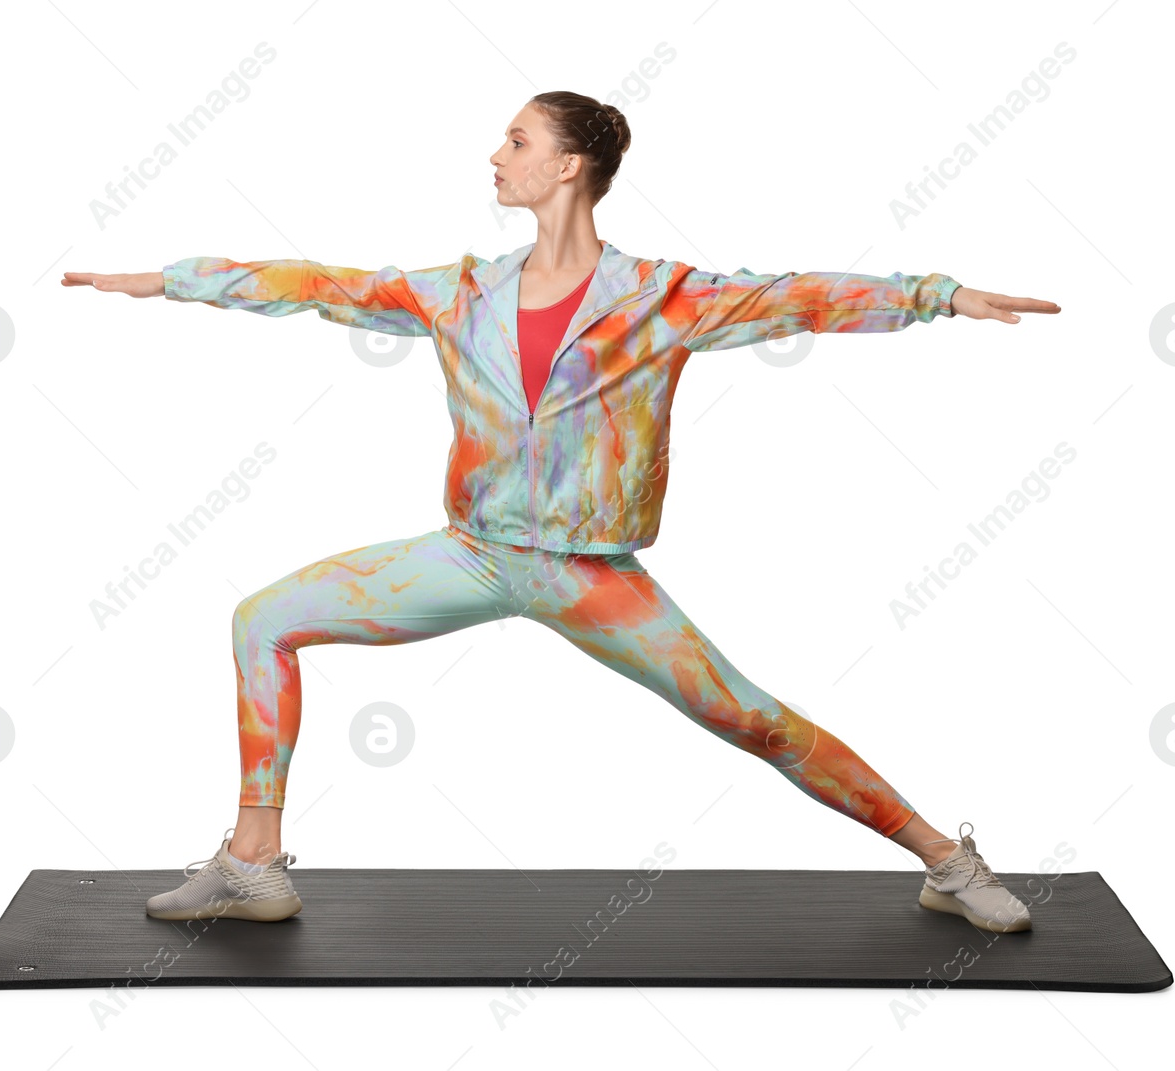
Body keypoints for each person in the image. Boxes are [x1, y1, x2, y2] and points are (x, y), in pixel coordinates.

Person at [63, 91, 1060, 932]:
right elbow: (321, 284)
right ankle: (253, 863)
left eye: (517, 141)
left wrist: (940, 295)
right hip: (472, 556)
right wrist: (168, 282)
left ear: (572, 167)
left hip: (588, 575)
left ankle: (946, 863)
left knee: (751, 721)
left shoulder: (661, 298)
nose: (495, 157)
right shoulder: (462, 294)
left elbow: (798, 297)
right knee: (261, 621)